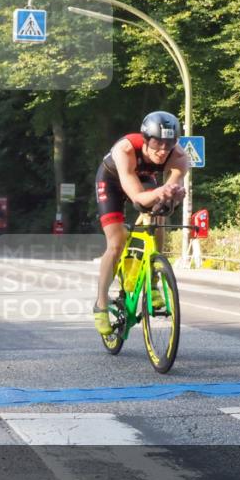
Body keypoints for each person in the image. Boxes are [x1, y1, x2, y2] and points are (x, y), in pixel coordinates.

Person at [93, 111, 187, 335]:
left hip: (144, 179)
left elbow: (168, 196)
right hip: (113, 181)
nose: (163, 151)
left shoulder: (180, 157)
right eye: (157, 144)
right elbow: (137, 198)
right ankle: (101, 304)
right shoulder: (124, 150)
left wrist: (172, 196)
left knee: (160, 214)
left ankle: (153, 277)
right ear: (145, 139)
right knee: (116, 244)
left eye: (169, 144)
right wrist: (160, 193)